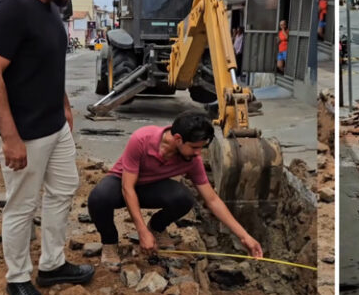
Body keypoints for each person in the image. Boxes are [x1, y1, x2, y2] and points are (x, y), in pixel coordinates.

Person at [0, 0, 91, 295]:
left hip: (53, 124)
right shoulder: (11, 8)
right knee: (22, 205)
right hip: (22, 130)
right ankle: (18, 279)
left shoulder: (50, 8)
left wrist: (62, 103)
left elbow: (46, 61)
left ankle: (53, 265)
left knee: (64, 190)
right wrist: (10, 138)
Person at [87, 110, 263, 271]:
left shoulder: (193, 160)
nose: (198, 153)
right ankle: (109, 243)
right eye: (195, 147)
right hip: (122, 184)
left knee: (183, 198)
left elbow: (212, 200)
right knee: (99, 198)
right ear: (178, 139)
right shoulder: (141, 139)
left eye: (202, 147)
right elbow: (127, 187)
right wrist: (141, 232)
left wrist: (244, 236)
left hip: (152, 188)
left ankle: (157, 227)